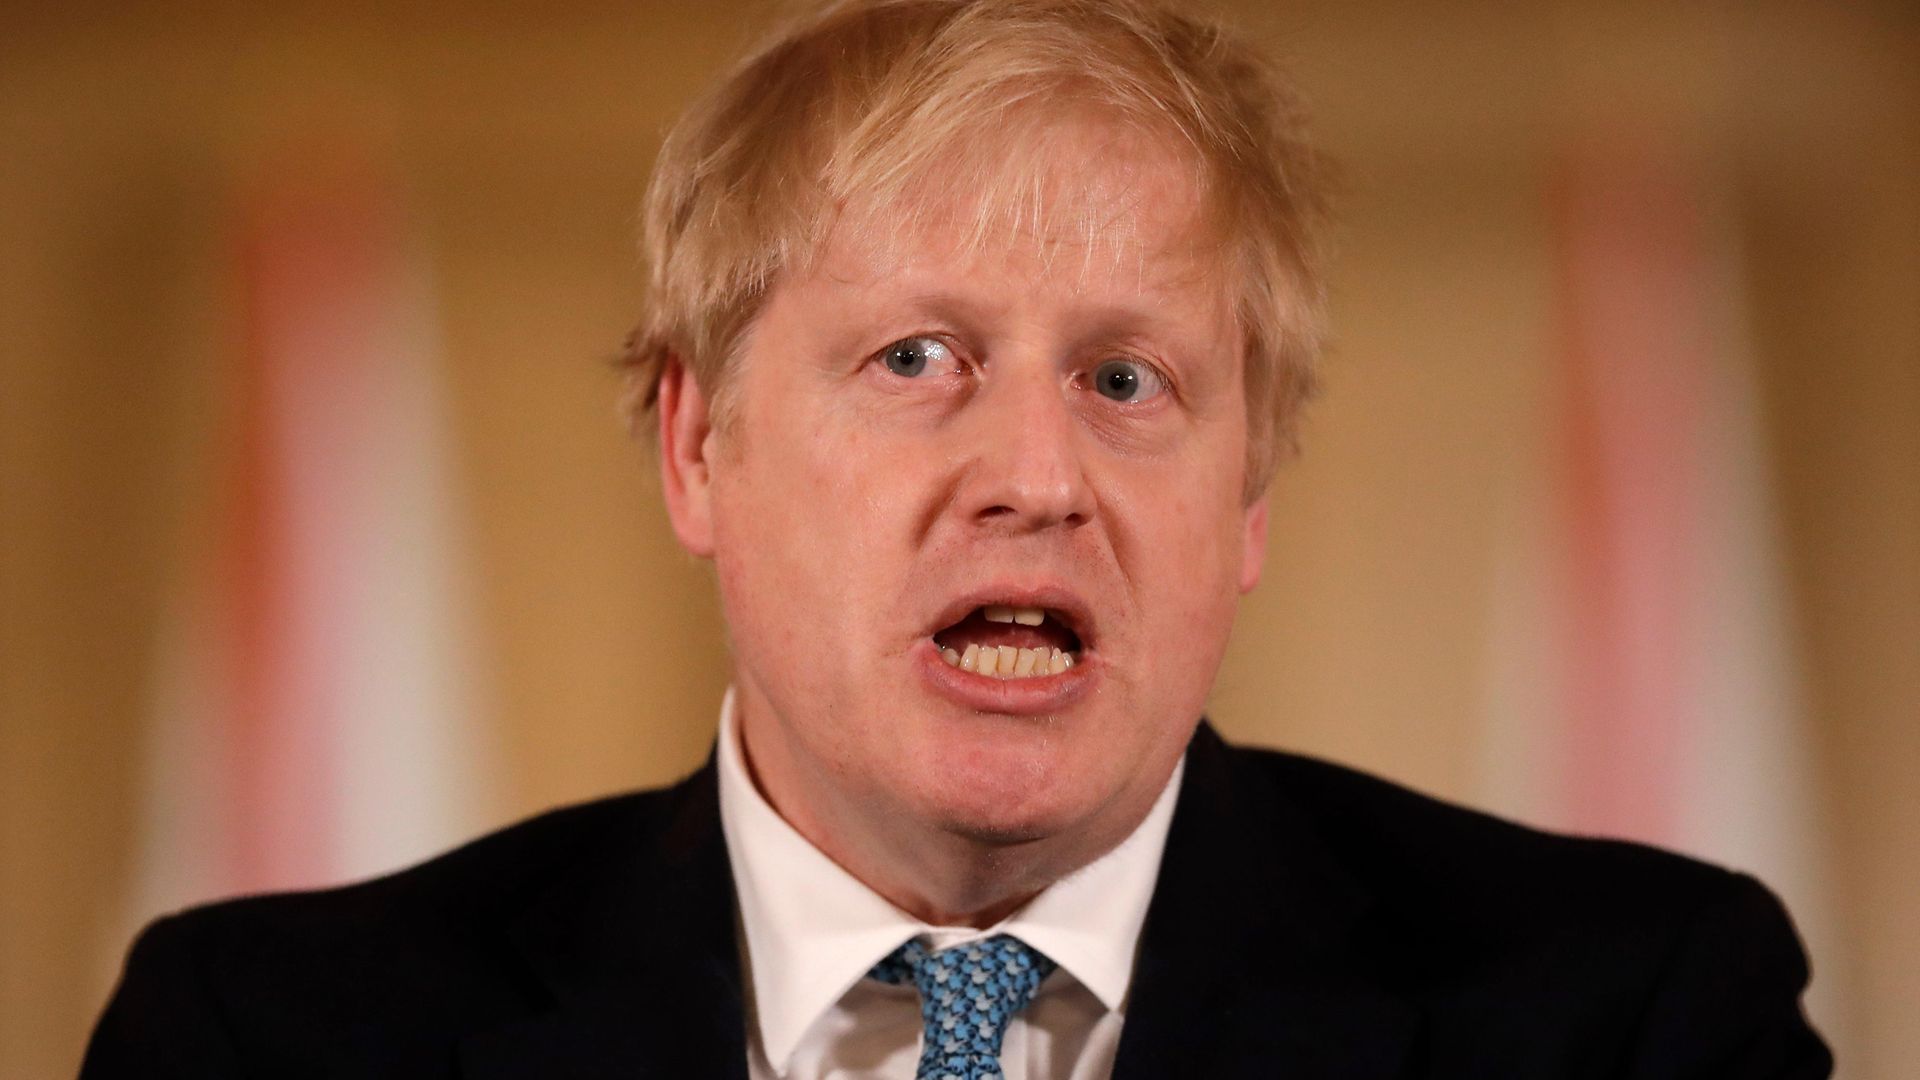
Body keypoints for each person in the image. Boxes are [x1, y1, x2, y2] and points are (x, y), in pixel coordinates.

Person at [82, 0, 1831, 1076]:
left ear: (1249, 504)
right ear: (700, 449)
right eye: (918, 358)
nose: (1036, 475)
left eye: (1129, 377)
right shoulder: (274, 1039)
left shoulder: (1631, 1020)